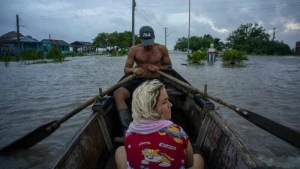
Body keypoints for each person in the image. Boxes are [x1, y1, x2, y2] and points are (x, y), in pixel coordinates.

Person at [115, 80, 204, 169]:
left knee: (120, 151)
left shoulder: (130, 132)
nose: (171, 105)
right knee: (198, 158)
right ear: (151, 108)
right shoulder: (177, 131)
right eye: (165, 102)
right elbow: (189, 163)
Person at [114, 26, 172, 134]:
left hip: (155, 82)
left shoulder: (161, 49)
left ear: (154, 38)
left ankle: (162, 126)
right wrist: (134, 70)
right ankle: (127, 128)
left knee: (159, 99)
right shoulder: (134, 49)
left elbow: (169, 67)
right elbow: (126, 69)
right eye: (146, 42)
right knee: (118, 94)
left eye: (150, 42)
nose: (148, 45)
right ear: (140, 39)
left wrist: (158, 68)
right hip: (138, 81)